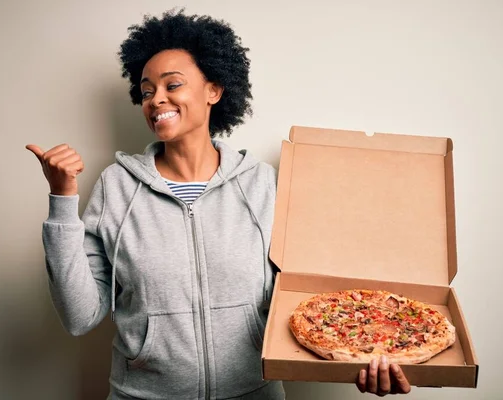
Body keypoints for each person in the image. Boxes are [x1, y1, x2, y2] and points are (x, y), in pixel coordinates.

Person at [26, 9, 411, 399]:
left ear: (214, 90)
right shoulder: (117, 187)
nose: (156, 99)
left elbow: (308, 299)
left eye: (172, 85)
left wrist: (365, 357)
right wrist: (62, 198)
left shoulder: (263, 184)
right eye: (146, 91)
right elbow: (79, 316)